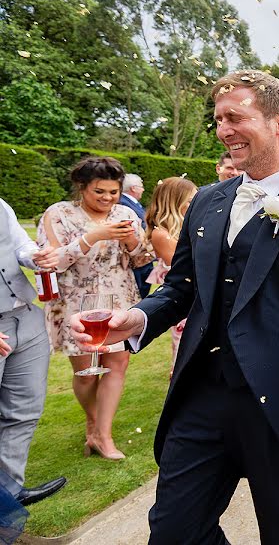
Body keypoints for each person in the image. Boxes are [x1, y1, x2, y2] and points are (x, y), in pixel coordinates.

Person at [70, 70, 279, 544]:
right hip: (201, 393)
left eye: (235, 117)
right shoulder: (206, 200)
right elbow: (180, 288)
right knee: (173, 530)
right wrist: (136, 318)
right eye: (218, 120)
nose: (223, 130)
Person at [38, 157, 152, 461]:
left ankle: (103, 434)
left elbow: (143, 259)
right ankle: (92, 422)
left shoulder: (126, 213)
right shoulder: (58, 214)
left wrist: (132, 241)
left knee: (118, 366)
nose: (107, 198)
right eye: (99, 191)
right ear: (82, 187)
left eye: (113, 192)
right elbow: (52, 263)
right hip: (77, 304)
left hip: (118, 300)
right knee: (87, 373)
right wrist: (92, 237)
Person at [0, 198, 67, 506]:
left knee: (23, 411)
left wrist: (35, 256)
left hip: (24, 316)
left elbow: (19, 245)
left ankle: (9, 494)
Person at [144, 177, 198, 374]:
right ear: (174, 201)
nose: (195, 204)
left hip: (196, 295)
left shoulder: (185, 228)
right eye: (191, 201)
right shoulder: (161, 234)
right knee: (183, 343)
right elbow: (182, 265)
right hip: (182, 296)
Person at [119, 173, 154, 298]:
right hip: (134, 258)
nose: (143, 189)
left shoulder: (131, 203)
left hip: (142, 257)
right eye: (141, 186)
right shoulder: (123, 205)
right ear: (133, 188)